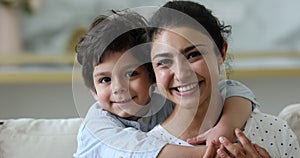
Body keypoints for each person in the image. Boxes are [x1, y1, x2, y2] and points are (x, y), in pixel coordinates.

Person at [74, 10, 260, 158]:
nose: (118, 88)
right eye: (104, 80)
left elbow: (231, 89)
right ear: (93, 91)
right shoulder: (96, 124)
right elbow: (136, 150)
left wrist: (225, 127)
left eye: (131, 74)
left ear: (152, 77)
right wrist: (218, 152)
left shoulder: (165, 105)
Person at [147, 1, 300, 157]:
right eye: (164, 62)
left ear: (221, 53)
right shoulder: (147, 149)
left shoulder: (275, 130)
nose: (181, 74)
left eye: (193, 55)